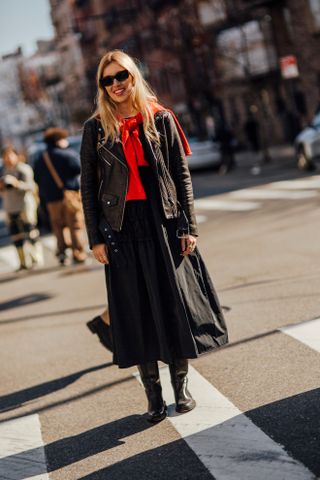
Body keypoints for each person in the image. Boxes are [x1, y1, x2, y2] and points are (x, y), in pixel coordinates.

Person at [80, 50, 228, 423]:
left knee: (173, 304)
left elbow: (182, 177)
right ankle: (153, 396)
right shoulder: (95, 129)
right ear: (102, 86)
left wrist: (188, 226)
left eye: (121, 76)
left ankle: (181, 388)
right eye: (108, 79)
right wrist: (95, 237)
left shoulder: (160, 119)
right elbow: (87, 187)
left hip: (162, 223)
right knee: (136, 311)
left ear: (134, 76)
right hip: (121, 230)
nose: (116, 84)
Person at [33, 128, 87, 265]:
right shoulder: (66, 154)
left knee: (58, 227)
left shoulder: (40, 159)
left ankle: (62, 253)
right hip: (69, 196)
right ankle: (78, 253)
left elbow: (37, 178)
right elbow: (80, 168)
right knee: (74, 225)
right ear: (58, 140)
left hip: (51, 200)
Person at [0, 146, 43, 271]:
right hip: (9, 207)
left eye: (10, 155)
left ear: (16, 155)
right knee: (16, 236)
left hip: (25, 205)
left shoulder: (23, 169)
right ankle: (23, 262)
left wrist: (16, 183)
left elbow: (32, 186)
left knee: (31, 232)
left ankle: (36, 259)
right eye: (5, 156)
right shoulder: (2, 170)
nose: (8, 158)